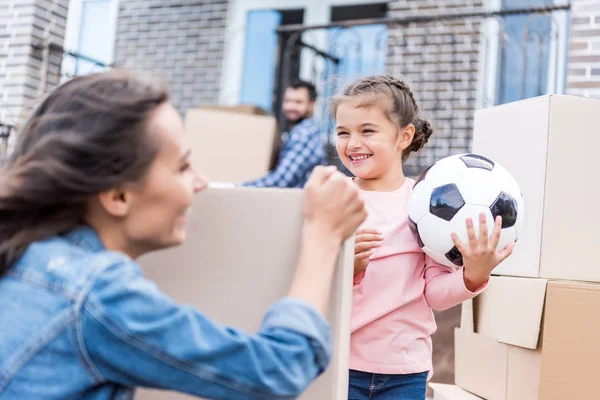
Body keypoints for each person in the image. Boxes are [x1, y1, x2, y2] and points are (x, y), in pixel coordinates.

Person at [0, 69, 367, 399]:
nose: (200, 180)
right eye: (182, 165)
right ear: (118, 196)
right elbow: (278, 368)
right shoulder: (98, 294)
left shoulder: (31, 256)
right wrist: (323, 236)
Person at [331, 75, 515, 400]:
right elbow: (310, 282)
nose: (352, 143)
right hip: (341, 366)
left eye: (367, 130)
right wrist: (350, 267)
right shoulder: (334, 198)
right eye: (343, 132)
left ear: (404, 136)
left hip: (405, 372)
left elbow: (434, 294)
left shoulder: (426, 204)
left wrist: (473, 274)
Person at [241, 79, 326, 188]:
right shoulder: (296, 132)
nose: (290, 107)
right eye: (287, 101)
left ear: (311, 105)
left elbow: (281, 180)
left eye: (298, 102)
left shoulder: (304, 134)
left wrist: (236, 187)